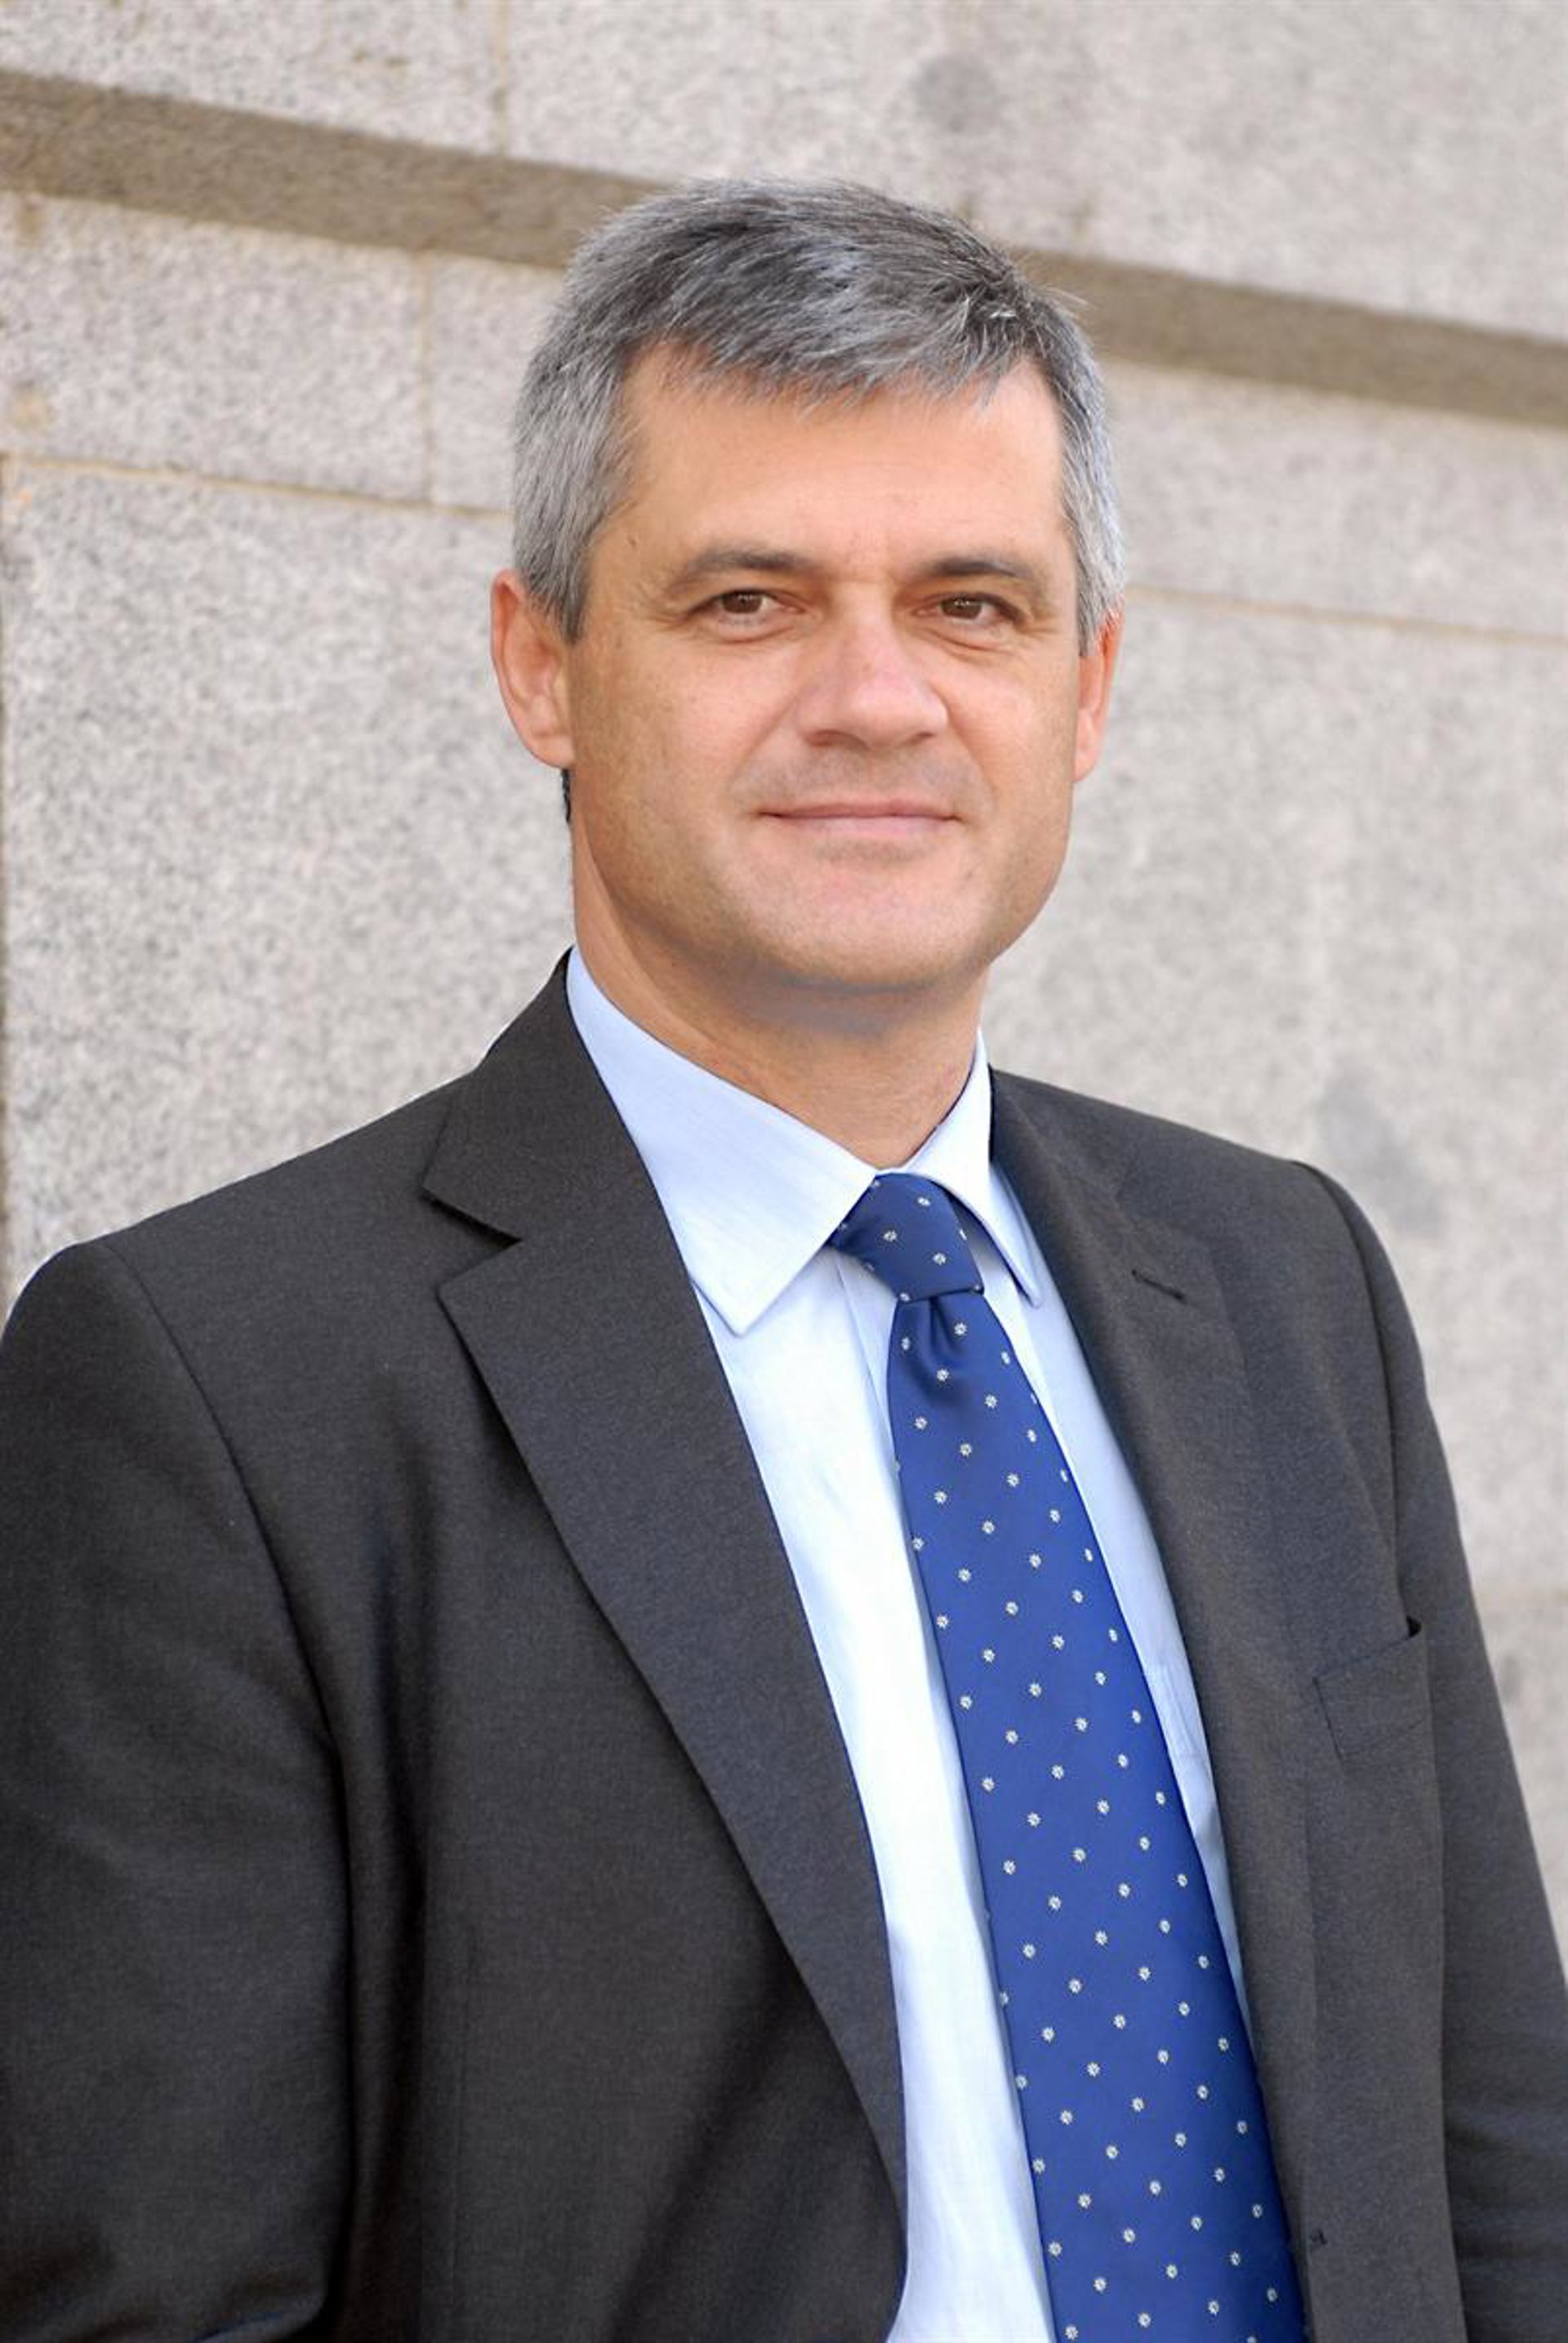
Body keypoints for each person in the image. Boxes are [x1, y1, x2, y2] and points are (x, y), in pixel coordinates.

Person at [0, 180, 1562, 2343]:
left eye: (973, 606)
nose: (877, 698)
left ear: (1088, 691)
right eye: (750, 601)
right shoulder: (219, 1387)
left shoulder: (1282, 1279)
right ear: (542, 664)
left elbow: (1494, 2142)